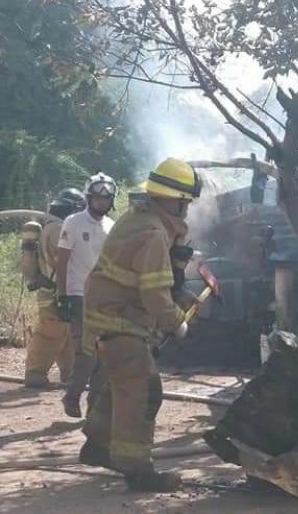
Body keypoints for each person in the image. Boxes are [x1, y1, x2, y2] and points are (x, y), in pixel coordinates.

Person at [80, 158, 201, 492]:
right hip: (121, 320)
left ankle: (98, 447)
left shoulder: (138, 218)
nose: (187, 210)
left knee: (120, 383)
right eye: (186, 202)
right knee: (143, 391)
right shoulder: (152, 234)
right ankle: (138, 471)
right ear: (175, 199)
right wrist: (177, 322)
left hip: (108, 316)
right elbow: (153, 292)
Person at [57, 173, 117, 417]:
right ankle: (72, 398)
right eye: (97, 198)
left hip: (104, 298)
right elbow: (62, 262)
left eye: (106, 199)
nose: (101, 202)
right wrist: (62, 297)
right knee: (86, 354)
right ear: (89, 198)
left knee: (105, 354)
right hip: (78, 294)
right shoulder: (73, 222)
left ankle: (95, 407)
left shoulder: (111, 226)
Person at [22, 189, 86, 388]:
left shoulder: (50, 227)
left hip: (54, 291)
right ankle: (35, 374)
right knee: (49, 334)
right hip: (57, 292)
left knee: (65, 335)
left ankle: (71, 374)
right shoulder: (59, 230)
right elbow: (65, 263)